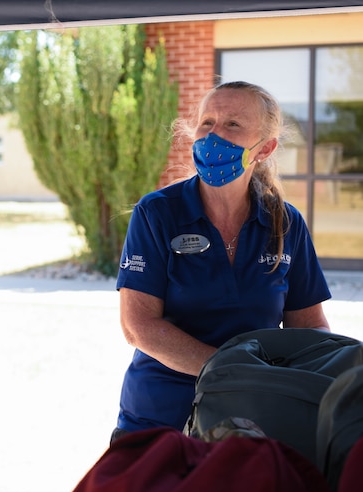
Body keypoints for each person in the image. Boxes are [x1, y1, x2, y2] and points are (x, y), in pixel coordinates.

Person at [112, 81, 330, 442]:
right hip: (158, 421)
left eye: (232, 124)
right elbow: (139, 327)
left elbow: (309, 328)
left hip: (253, 421)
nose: (214, 135)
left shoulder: (285, 222)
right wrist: (235, 371)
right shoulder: (157, 212)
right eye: (207, 122)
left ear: (266, 148)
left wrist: (328, 371)